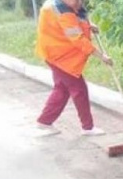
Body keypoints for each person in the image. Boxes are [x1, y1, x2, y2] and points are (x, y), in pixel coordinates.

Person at [33, 0, 112, 137]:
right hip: (60, 56)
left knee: (62, 89)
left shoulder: (61, 5)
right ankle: (87, 127)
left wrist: (88, 26)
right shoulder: (63, 12)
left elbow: (74, 20)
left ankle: (44, 122)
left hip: (54, 52)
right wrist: (101, 56)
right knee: (79, 89)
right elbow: (78, 39)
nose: (80, 3)